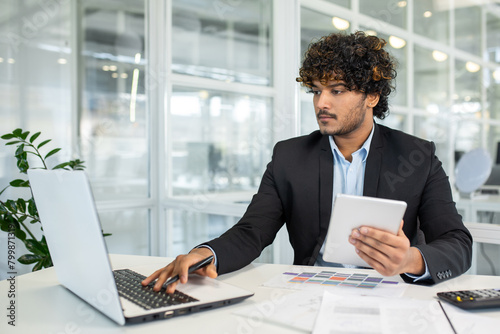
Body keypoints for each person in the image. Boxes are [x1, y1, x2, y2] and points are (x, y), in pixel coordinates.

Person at [143, 31, 472, 293]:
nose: (321, 103)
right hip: (312, 293)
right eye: (316, 91)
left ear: (372, 96)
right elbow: (252, 231)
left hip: (393, 292)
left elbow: (457, 243)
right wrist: (205, 253)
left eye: (337, 90)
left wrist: (411, 260)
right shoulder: (289, 156)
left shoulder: (417, 156)